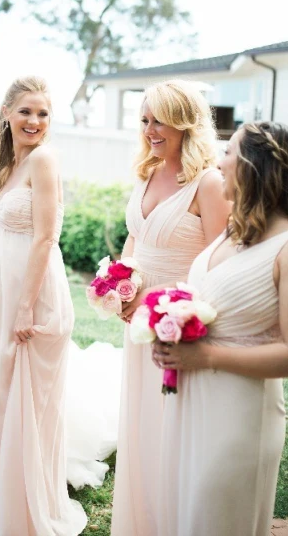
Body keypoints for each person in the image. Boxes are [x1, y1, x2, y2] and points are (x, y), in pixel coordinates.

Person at [0, 76, 87, 536]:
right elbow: (2, 231)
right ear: (7, 113)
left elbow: (46, 236)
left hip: (32, 293)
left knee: (24, 399)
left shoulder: (45, 160)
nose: (34, 121)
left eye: (43, 113)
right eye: (26, 111)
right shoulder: (8, 163)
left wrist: (26, 307)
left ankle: (25, 510)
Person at [153, 122, 288, 536]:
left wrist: (207, 355)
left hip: (239, 414)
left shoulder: (284, 248)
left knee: (216, 519)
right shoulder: (236, 230)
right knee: (183, 513)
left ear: (253, 165)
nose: (216, 161)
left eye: (227, 151)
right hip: (191, 403)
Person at [110, 79, 231, 536]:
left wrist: (169, 307)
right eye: (144, 120)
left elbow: (220, 260)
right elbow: (134, 239)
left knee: (173, 426)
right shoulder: (147, 171)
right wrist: (120, 284)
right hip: (136, 317)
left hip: (177, 320)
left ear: (184, 121)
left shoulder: (210, 182)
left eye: (159, 119)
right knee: (141, 424)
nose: (150, 129)